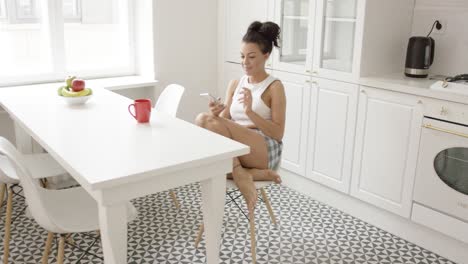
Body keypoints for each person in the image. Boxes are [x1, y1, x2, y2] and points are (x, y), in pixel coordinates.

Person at [195, 21, 286, 215]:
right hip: (239, 151)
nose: (245, 62)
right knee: (204, 121)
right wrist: (216, 112)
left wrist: (250, 112)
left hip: (264, 149)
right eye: (242, 56)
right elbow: (223, 121)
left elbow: (278, 133)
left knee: (204, 124)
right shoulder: (236, 83)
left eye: (251, 57)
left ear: (266, 55)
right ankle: (243, 173)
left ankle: (242, 171)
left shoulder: (274, 87)